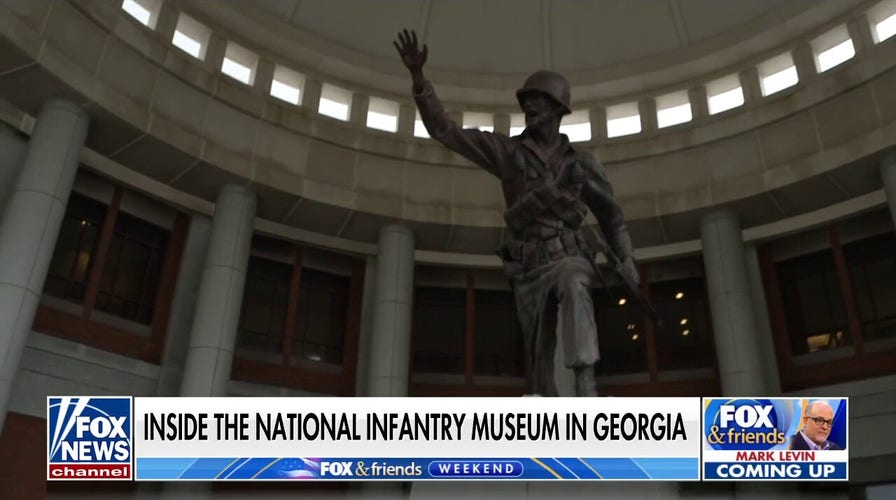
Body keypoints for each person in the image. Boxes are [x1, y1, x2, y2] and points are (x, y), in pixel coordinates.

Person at [393, 30, 639, 397]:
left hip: (569, 255)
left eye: (537, 100)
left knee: (574, 282)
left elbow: (611, 216)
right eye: (526, 101)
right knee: (539, 366)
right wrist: (418, 80)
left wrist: (627, 260)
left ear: (557, 107)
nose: (529, 107)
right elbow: (445, 131)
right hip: (528, 268)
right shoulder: (508, 153)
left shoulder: (581, 165)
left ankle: (586, 387)